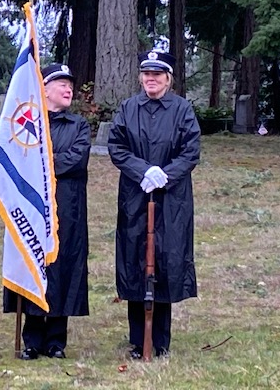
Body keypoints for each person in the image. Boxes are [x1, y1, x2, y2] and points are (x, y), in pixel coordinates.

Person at [108, 50, 201, 359]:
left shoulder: (182, 109)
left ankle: (160, 341)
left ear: (168, 78)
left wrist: (165, 174)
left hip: (170, 199)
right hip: (136, 196)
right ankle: (138, 340)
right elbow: (117, 146)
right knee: (136, 260)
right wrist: (142, 170)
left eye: (157, 74)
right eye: (146, 74)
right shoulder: (128, 108)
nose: (151, 79)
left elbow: (191, 151)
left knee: (164, 261)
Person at [3, 63, 91, 360]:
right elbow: (19, 156)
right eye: (61, 84)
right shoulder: (27, 123)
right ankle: (32, 339)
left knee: (61, 269)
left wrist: (41, 161)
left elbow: (75, 161)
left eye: (70, 85)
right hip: (31, 207)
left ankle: (56, 340)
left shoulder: (78, 125)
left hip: (66, 208)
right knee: (32, 265)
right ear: (44, 89)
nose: (69, 89)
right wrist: (46, 162)